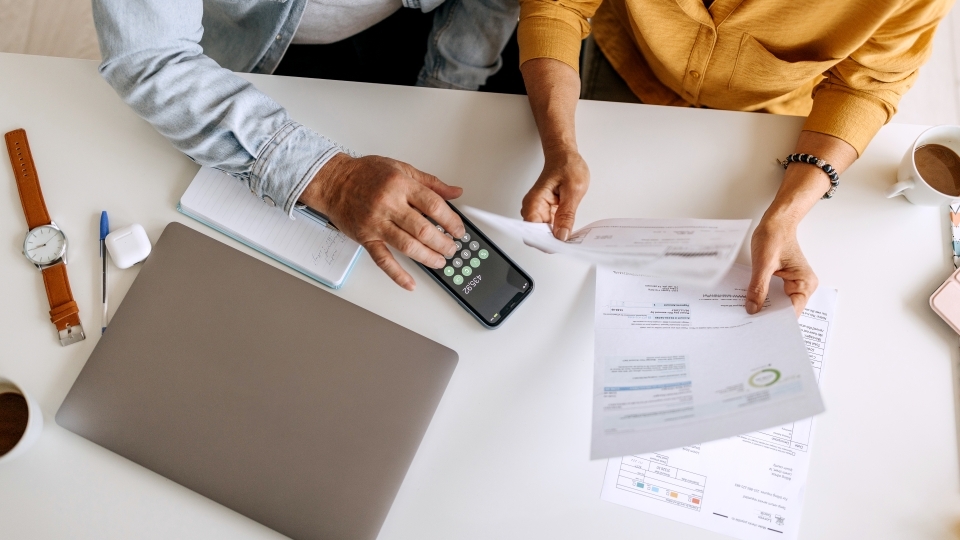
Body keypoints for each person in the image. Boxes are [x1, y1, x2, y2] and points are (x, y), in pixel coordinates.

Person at [515, 0, 953, 314]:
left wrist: (787, 213)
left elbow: (866, 84)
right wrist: (560, 146)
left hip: (772, 113)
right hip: (628, 60)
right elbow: (557, 6)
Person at [92, 0, 518, 290]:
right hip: (254, 53)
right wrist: (332, 180)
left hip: (423, 32)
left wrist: (442, 96)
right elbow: (148, 57)